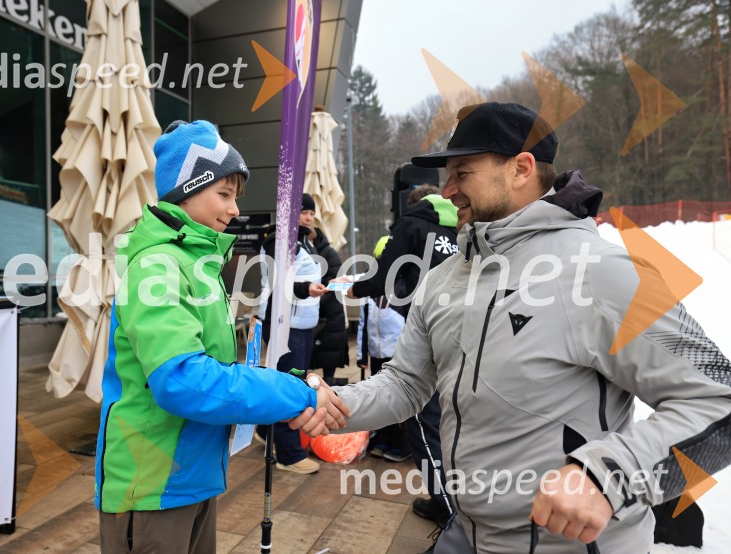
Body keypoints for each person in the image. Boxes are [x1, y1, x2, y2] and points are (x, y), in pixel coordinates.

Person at [294, 102, 731, 553]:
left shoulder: (602, 271)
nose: (448, 191)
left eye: (463, 173)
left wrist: (608, 475)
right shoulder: (445, 276)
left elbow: (719, 402)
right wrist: (335, 404)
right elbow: (407, 384)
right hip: (466, 533)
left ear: (521, 168)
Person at [95, 120, 349, 554]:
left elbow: (215, 367)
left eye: (236, 197)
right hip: (151, 485)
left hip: (192, 476)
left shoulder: (199, 265)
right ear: (185, 191)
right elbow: (182, 381)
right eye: (224, 194)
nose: (234, 210)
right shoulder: (158, 266)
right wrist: (291, 394)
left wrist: (273, 391)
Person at [348, 183, 459, 526]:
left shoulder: (410, 223)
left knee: (421, 420)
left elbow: (385, 276)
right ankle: (458, 499)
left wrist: (355, 287)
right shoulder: (461, 223)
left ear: (412, 203)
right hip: (468, 331)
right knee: (450, 419)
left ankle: (449, 510)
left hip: (429, 329)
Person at [256, 192, 329, 474]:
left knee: (294, 382)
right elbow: (281, 281)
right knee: (289, 385)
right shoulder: (279, 239)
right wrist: (306, 288)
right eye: (303, 212)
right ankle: (288, 454)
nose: (309, 217)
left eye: (311, 212)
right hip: (285, 325)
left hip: (302, 325)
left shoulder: (304, 241)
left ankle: (266, 428)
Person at [357, 235, 409, 461]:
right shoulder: (370, 291)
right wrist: (362, 354)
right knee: (379, 398)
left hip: (397, 355)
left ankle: (402, 443)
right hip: (377, 354)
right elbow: (363, 324)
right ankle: (383, 437)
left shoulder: (405, 288)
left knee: (397, 399)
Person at [307, 213, 350, 386]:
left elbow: (335, 283)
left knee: (328, 361)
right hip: (318, 315)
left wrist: (312, 298)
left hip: (330, 317)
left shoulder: (329, 254)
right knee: (312, 359)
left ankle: (329, 389)